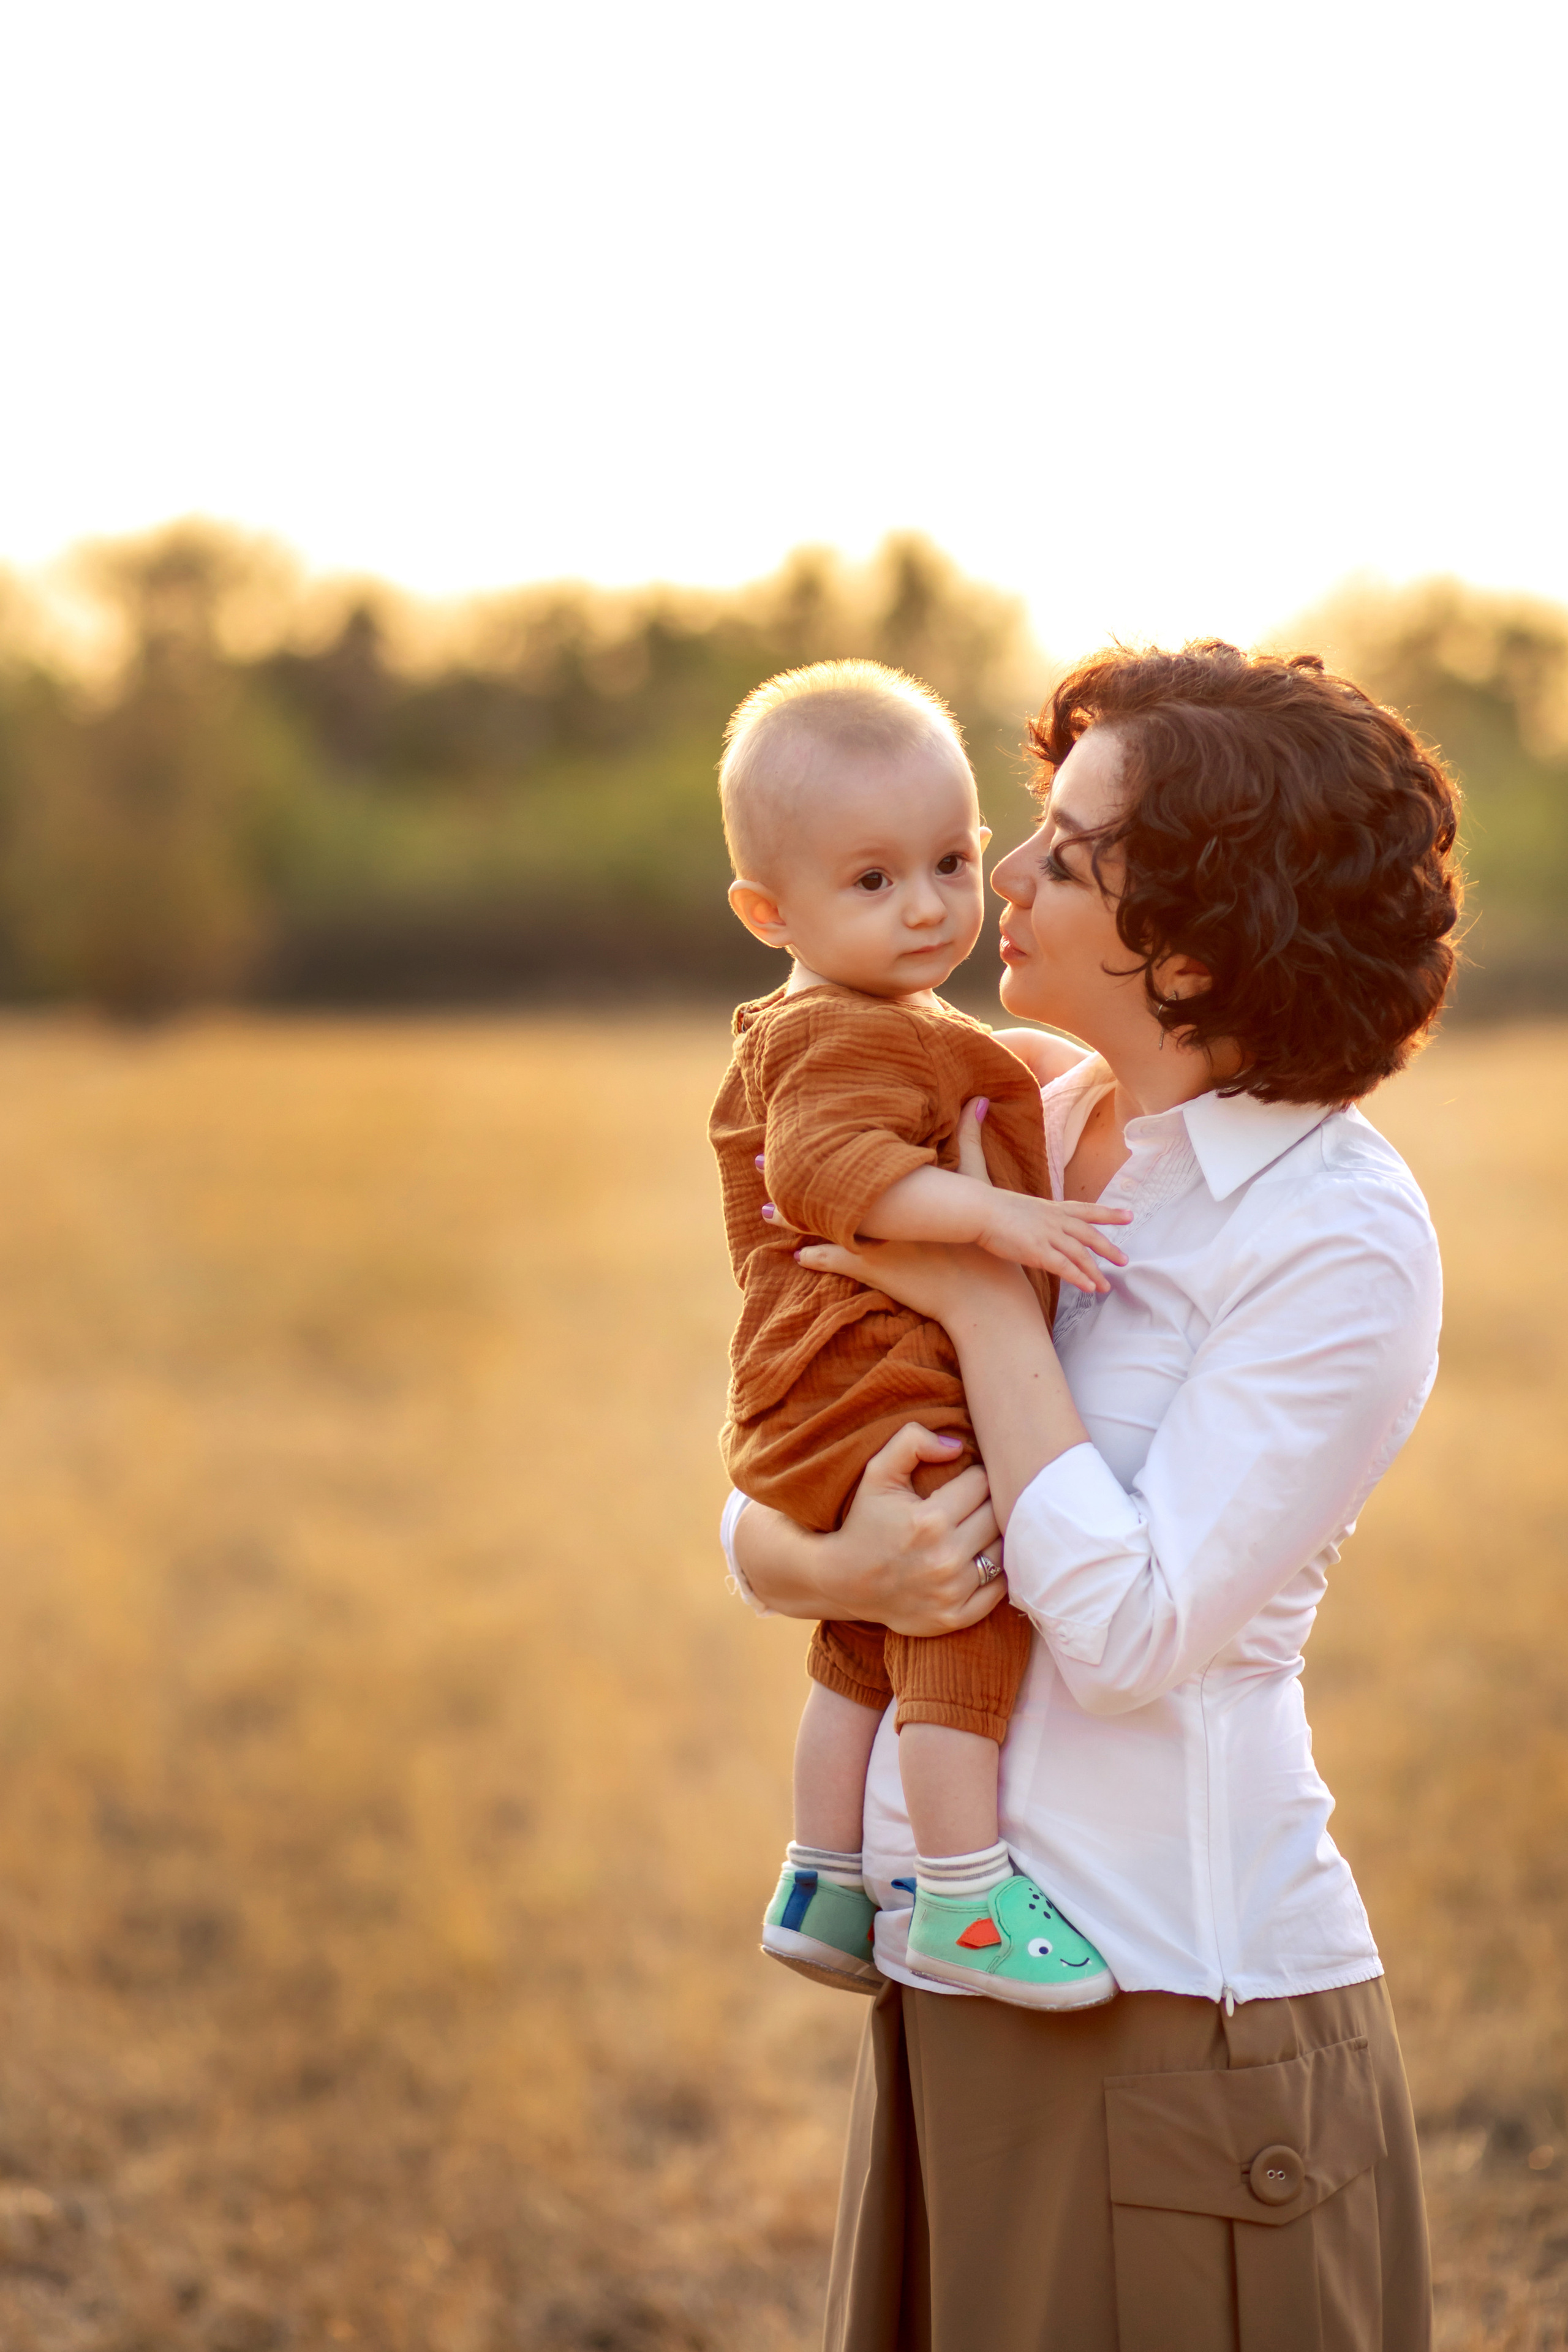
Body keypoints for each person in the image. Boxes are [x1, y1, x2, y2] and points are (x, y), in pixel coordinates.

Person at [725, 641, 1460, 2350]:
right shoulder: (1018, 1126)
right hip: (947, 1980)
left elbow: (1129, 1633)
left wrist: (985, 1310)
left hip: (1169, 2014)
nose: (1009, 876)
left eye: (1067, 846)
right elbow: (794, 1434)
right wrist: (822, 1559)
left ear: (1199, 939)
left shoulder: (1332, 1233)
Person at [710, 659, 1129, 2007]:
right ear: (767, 911)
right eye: (872, 881)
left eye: (950, 860)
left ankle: (821, 1878)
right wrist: (996, 1227)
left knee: (859, 1641)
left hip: (818, 1400)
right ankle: (960, 1898)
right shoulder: (835, 1035)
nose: (933, 905)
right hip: (872, 1381)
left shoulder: (872, 1018)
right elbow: (830, 1176)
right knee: (962, 1608)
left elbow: (970, 1082)